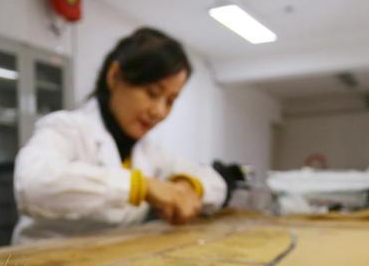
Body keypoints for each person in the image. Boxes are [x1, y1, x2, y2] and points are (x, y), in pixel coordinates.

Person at [12, 27, 226, 244]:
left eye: (170, 101)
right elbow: (33, 185)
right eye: (152, 93)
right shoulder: (66, 127)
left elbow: (216, 183)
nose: (160, 112)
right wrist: (140, 187)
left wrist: (188, 187)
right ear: (114, 76)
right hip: (43, 259)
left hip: (112, 257)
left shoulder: (150, 152)